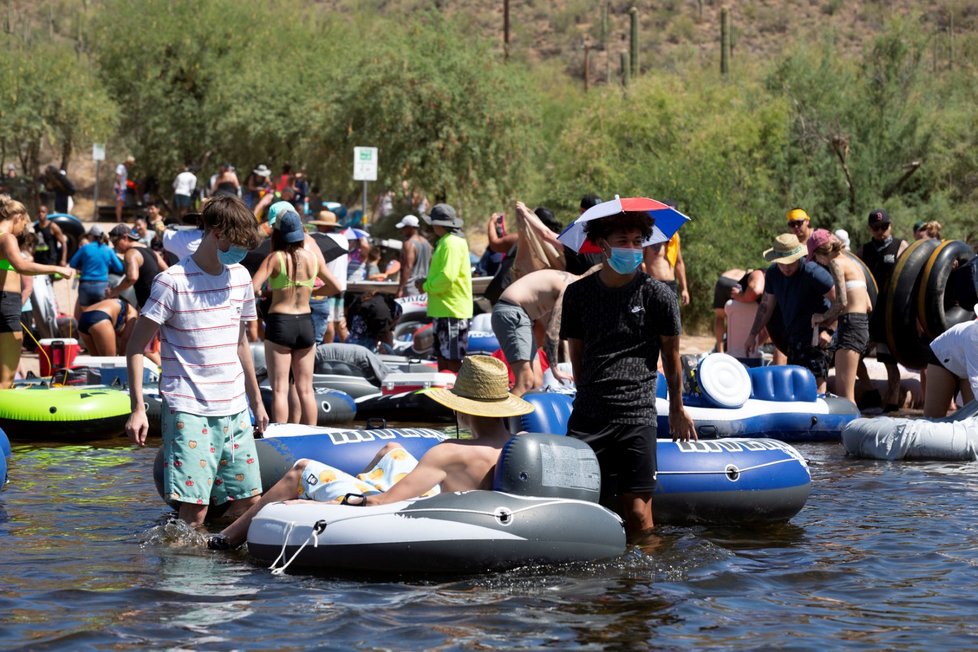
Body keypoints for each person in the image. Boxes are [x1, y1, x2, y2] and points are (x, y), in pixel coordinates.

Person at [210, 355, 534, 549]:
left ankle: (224, 540)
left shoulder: (448, 452)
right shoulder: (522, 444)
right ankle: (353, 481)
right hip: (473, 513)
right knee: (391, 449)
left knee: (301, 468)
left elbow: (382, 503)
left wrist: (315, 504)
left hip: (428, 517)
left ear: (463, 410)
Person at [124, 195, 268, 527]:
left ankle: (224, 571)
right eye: (238, 243)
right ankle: (183, 573)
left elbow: (240, 342)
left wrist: (256, 400)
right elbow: (135, 346)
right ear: (217, 233)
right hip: (189, 408)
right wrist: (138, 408)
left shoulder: (241, 279)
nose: (242, 252)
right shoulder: (171, 282)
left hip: (234, 407)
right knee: (195, 512)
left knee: (249, 502)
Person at [560, 210, 695, 540]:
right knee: (584, 510)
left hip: (636, 415)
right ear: (602, 245)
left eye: (638, 242)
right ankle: (598, 591)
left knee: (637, 513)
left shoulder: (658, 295)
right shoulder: (577, 295)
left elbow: (672, 357)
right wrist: (585, 392)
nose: (632, 249)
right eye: (623, 242)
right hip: (589, 416)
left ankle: (643, 587)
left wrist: (677, 408)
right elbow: (577, 353)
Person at [251, 209, 340, 425]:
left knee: (280, 389)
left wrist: (267, 293)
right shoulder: (312, 258)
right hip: (306, 324)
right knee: (305, 389)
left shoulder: (275, 258)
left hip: (281, 323)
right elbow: (336, 287)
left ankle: (281, 437)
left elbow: (252, 288)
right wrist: (312, 291)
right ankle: (312, 435)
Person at [745, 233, 835, 392]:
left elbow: (840, 301)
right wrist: (752, 335)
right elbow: (766, 306)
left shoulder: (813, 272)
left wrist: (830, 331)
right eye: (782, 263)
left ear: (798, 256)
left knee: (816, 385)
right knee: (797, 385)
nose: (786, 267)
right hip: (793, 338)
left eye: (790, 262)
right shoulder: (773, 273)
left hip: (816, 336)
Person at [0, 196, 74, 387]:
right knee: (6, 378)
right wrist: (57, 268)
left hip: (5, 301)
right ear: (17, 216)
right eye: (24, 223)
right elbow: (21, 265)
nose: (23, 229)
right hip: (6, 304)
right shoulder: (6, 237)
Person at [492, 267, 589, 396]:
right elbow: (551, 332)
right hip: (512, 312)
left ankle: (520, 416)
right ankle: (500, 416)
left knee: (536, 382)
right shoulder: (570, 286)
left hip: (520, 316)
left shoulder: (571, 281)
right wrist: (555, 369)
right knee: (525, 382)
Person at [808, 229, 872, 404]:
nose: (816, 262)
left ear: (821, 252)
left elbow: (841, 301)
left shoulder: (835, 263)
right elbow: (868, 305)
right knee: (846, 392)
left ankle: (850, 430)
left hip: (850, 325)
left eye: (814, 258)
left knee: (845, 396)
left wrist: (822, 317)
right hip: (861, 325)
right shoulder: (853, 264)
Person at [857, 208, 908, 412]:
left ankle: (893, 403)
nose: (881, 231)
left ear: (890, 225)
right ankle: (870, 392)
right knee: (854, 355)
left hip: (889, 315)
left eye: (884, 226)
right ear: (870, 229)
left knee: (889, 361)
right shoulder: (864, 250)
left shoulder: (900, 246)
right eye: (876, 228)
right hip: (868, 314)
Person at [423, 204, 472, 373]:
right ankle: (443, 394)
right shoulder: (445, 242)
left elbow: (447, 277)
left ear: (438, 224)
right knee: (443, 357)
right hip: (444, 309)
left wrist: (425, 285)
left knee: (452, 359)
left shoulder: (451, 244)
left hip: (452, 310)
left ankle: (453, 396)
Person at [923, 316, 978, 417]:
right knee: (933, 418)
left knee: (971, 418)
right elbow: (976, 381)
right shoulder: (974, 336)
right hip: (943, 358)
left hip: (965, 366)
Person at [308, 210, 349, 343]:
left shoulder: (318, 238)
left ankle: (327, 353)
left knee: (328, 323)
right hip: (341, 284)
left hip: (326, 284)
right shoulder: (343, 239)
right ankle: (347, 350)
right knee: (340, 321)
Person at [69, 225, 124, 319]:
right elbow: (119, 268)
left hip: (85, 286)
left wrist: (84, 265)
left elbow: (72, 263)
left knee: (85, 316)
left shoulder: (85, 248)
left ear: (91, 236)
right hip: (101, 286)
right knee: (100, 316)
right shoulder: (107, 250)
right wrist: (106, 264)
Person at [106, 224, 161, 309]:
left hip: (149, 305)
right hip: (160, 299)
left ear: (125, 237)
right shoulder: (151, 251)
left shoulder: (131, 253)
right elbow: (167, 270)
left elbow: (132, 278)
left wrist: (114, 292)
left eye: (115, 241)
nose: (114, 246)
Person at [712, 268, 765, 353]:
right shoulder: (754, 274)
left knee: (720, 317)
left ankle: (720, 350)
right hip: (736, 283)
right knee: (739, 314)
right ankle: (745, 348)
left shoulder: (733, 270)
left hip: (722, 281)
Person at [643, 232, 689, 305]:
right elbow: (639, 262)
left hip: (671, 285)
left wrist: (684, 289)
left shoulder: (674, 236)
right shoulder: (648, 236)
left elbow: (679, 263)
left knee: (673, 315)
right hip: (653, 285)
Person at [395, 215, 431, 298]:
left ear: (410, 228)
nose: (402, 230)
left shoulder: (409, 244)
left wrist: (400, 288)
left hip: (411, 287)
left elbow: (408, 266)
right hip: (424, 285)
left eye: (404, 228)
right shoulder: (427, 243)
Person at [33, 204, 68, 269]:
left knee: (50, 278)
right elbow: (34, 243)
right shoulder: (35, 227)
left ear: (47, 213)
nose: (41, 214)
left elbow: (63, 243)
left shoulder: (53, 226)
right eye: (39, 212)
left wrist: (63, 259)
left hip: (50, 260)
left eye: (43, 212)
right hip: (38, 259)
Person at [114, 156, 134, 222]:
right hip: (121, 188)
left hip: (123, 187)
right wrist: (120, 187)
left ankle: (119, 218)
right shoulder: (121, 167)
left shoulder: (125, 168)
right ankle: (118, 219)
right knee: (119, 204)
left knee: (121, 204)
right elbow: (118, 177)